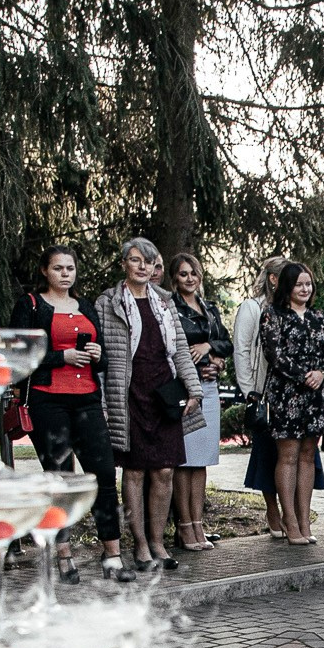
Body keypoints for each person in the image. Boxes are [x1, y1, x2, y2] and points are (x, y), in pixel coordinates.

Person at [13, 246, 125, 582]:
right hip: (48, 401)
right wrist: (61, 358)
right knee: (60, 478)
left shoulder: (85, 306)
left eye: (70, 268)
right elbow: (20, 354)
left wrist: (97, 354)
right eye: (58, 268)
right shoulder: (31, 305)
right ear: (44, 271)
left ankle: (113, 556)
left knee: (103, 475)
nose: (65, 274)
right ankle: (64, 556)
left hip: (87, 399)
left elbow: (102, 361)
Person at [99, 239, 195, 571]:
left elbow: (180, 349)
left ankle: (158, 541)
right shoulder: (108, 302)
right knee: (135, 469)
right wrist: (103, 401)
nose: (142, 267)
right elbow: (100, 357)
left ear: (155, 267)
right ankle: (139, 544)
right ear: (124, 264)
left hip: (164, 394)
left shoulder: (164, 301)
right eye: (135, 260)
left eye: (149, 261)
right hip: (129, 394)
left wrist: (193, 390)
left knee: (165, 469)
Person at [260, 262, 324, 545]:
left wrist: (321, 373)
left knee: (308, 455)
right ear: (287, 287)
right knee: (288, 456)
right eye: (299, 284)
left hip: (316, 395)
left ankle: (305, 520)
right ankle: (289, 519)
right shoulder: (273, 315)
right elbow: (274, 354)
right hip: (287, 394)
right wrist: (304, 375)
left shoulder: (319, 316)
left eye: (308, 284)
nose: (305, 289)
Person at [168, 250, 228, 551]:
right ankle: (184, 526)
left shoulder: (209, 307)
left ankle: (198, 524)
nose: (189, 278)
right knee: (185, 460)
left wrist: (211, 350)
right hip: (185, 389)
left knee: (202, 460)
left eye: (193, 273)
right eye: (183, 274)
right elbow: (171, 349)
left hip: (210, 388)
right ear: (175, 278)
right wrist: (199, 362)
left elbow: (226, 342)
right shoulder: (171, 308)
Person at [234, 256, 289, 538]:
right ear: (273, 279)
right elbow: (242, 350)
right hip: (263, 392)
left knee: (292, 455)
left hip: (291, 393)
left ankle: (292, 512)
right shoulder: (252, 308)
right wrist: (249, 391)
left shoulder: (292, 308)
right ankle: (272, 509)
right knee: (268, 454)